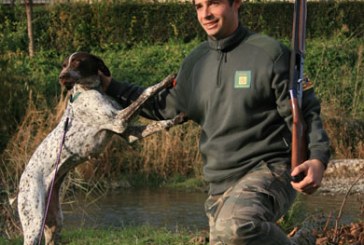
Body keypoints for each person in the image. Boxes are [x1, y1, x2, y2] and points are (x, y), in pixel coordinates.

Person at [100, 0, 330, 244]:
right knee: (229, 235)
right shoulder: (195, 62)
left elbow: (306, 112)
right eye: (199, 6)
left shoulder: (270, 54)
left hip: (269, 168)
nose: (206, 14)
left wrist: (317, 158)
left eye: (214, 3)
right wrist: (111, 86)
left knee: (236, 228)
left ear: (236, 4)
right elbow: (164, 105)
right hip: (219, 182)